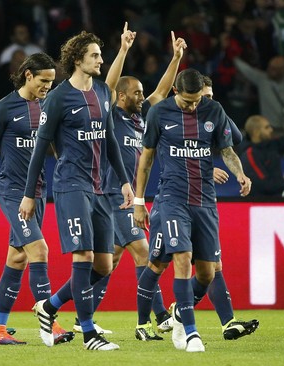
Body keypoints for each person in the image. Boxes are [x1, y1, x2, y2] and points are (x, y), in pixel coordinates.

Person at [20, 30, 134, 351]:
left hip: (100, 189)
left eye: (100, 55)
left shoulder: (101, 91)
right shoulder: (57, 99)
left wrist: (124, 181)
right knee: (82, 255)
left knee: (103, 266)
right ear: (77, 60)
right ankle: (88, 335)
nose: (101, 60)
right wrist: (30, 194)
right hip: (71, 186)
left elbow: (110, 139)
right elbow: (40, 149)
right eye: (95, 55)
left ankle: (49, 306)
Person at [80, 26, 187, 342]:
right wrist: (123, 50)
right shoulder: (110, 112)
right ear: (122, 96)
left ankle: (78, 315)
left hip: (126, 196)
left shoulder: (142, 119)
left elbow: (163, 92)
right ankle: (161, 317)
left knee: (109, 261)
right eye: (137, 92)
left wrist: (176, 58)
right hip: (114, 194)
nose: (143, 96)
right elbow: (109, 84)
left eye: (143, 92)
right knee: (143, 253)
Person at [133, 68, 252, 352]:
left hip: (205, 201)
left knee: (208, 273)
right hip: (172, 199)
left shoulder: (214, 109)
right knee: (181, 258)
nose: (193, 106)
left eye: (197, 100)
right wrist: (139, 202)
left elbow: (227, 150)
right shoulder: (159, 113)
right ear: (176, 92)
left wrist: (240, 174)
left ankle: (177, 313)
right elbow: (146, 160)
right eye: (188, 101)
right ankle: (191, 332)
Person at [0, 52, 74, 346]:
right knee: (39, 250)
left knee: (18, 257)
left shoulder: (48, 107)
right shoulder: (2, 109)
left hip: (39, 193)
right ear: (28, 75)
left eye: (52, 81)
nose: (48, 86)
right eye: (43, 80)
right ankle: (50, 322)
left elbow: (56, 149)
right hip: (13, 193)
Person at [234, 54, 284, 135]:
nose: (271, 70)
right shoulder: (262, 79)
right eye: (270, 67)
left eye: (275, 68)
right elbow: (246, 70)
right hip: (270, 128)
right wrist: (233, 56)